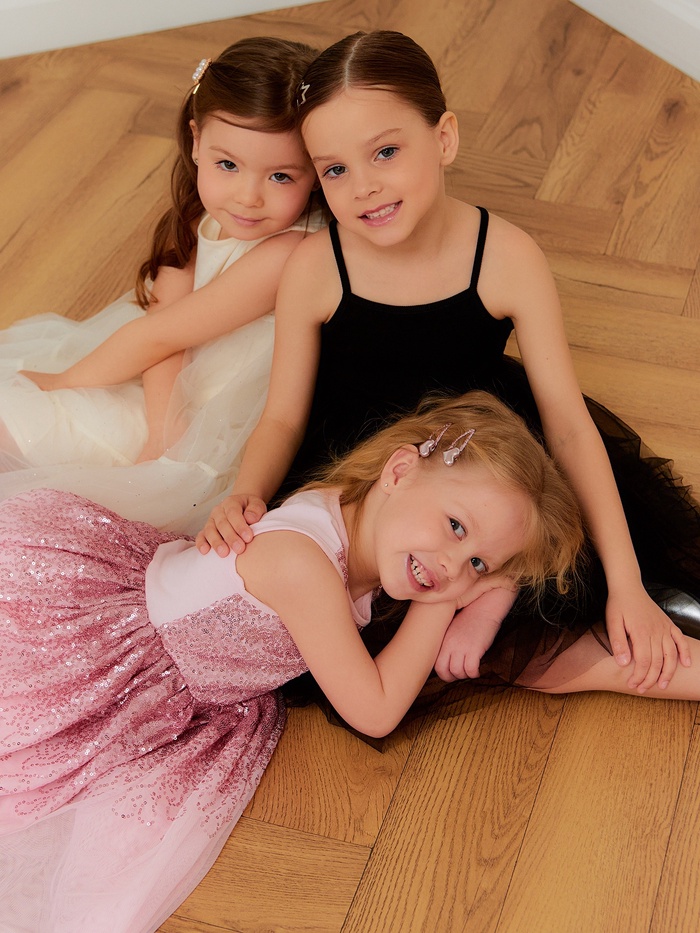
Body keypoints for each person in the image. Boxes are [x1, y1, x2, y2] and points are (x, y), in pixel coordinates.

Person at [196, 30, 700, 697]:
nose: (364, 187)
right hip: (361, 478)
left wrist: (626, 580)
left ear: (444, 138)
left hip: (473, 462)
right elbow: (283, 416)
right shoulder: (317, 267)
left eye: (385, 151)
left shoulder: (506, 257)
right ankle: (620, 660)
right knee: (485, 646)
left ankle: (637, 607)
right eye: (335, 170)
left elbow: (568, 427)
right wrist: (248, 493)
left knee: (570, 567)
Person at [0, 391, 583, 933]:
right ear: (399, 471)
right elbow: (376, 711)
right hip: (109, 658)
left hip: (192, 676)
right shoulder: (302, 563)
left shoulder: (356, 519)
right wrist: (445, 604)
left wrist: (490, 591)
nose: (453, 565)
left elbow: (505, 567)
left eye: (477, 563)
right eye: (455, 527)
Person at [0, 36, 323, 533]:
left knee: (24, 423)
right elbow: (162, 326)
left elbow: (161, 334)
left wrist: (63, 385)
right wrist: (161, 424)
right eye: (227, 164)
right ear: (196, 140)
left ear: (317, 171)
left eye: (280, 176)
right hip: (158, 378)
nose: (247, 197)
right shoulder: (198, 212)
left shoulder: (291, 252)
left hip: (214, 418)